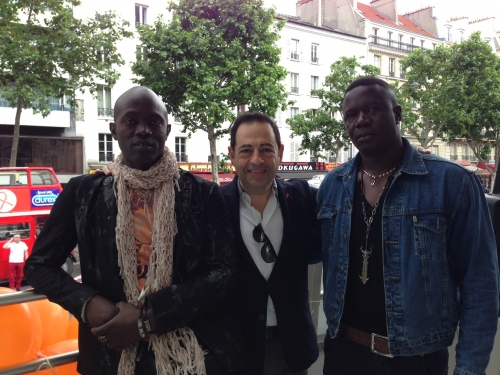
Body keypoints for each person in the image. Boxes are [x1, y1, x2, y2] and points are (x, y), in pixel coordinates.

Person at [25, 86, 245, 375]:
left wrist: (150, 317)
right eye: (131, 121)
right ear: (114, 130)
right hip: (110, 356)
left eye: (154, 122)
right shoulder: (83, 193)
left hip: (193, 355)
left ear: (167, 130)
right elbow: (39, 267)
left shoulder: (202, 194)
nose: (143, 130)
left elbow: (224, 273)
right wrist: (88, 304)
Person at [317, 77, 499, 375]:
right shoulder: (333, 185)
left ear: (397, 114)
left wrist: (469, 369)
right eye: (351, 115)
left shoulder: (451, 183)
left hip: (416, 361)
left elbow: (480, 288)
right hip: (344, 356)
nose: (361, 121)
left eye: (373, 109)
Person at [221, 112, 321, 375]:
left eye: (266, 149)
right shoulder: (213, 205)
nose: (257, 159)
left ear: (280, 152)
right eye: (246, 150)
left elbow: (351, 190)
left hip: (291, 349)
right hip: (233, 351)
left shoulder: (304, 199)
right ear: (232, 155)